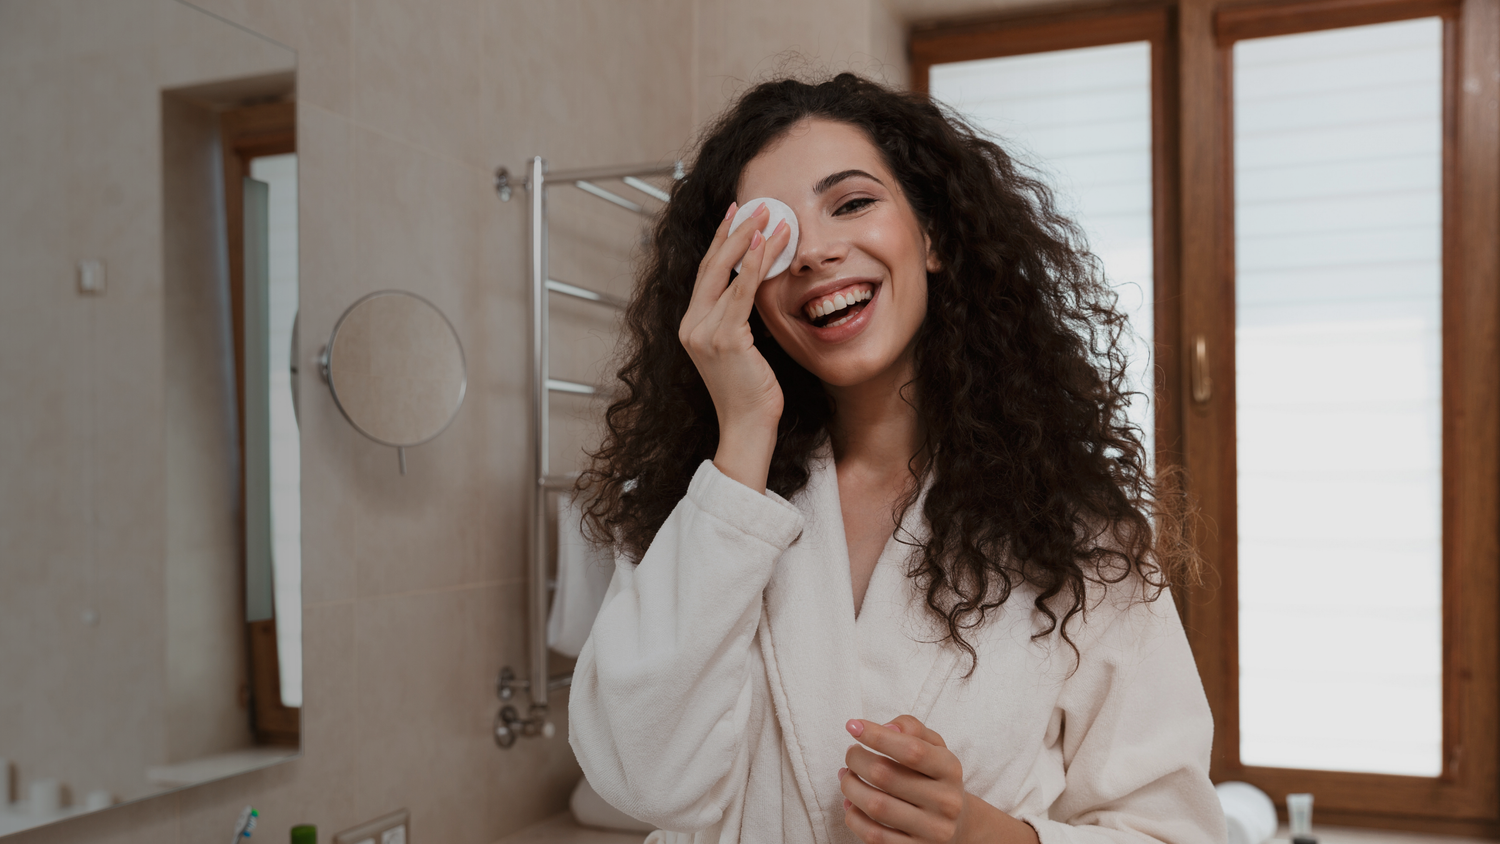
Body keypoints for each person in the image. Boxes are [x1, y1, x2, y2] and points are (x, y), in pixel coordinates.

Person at [568, 73, 1225, 844]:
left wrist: (984, 833)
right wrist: (744, 429)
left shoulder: (1080, 535)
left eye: (851, 203)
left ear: (935, 236)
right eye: (770, 235)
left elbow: (1174, 832)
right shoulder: (704, 510)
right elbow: (643, 778)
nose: (813, 252)